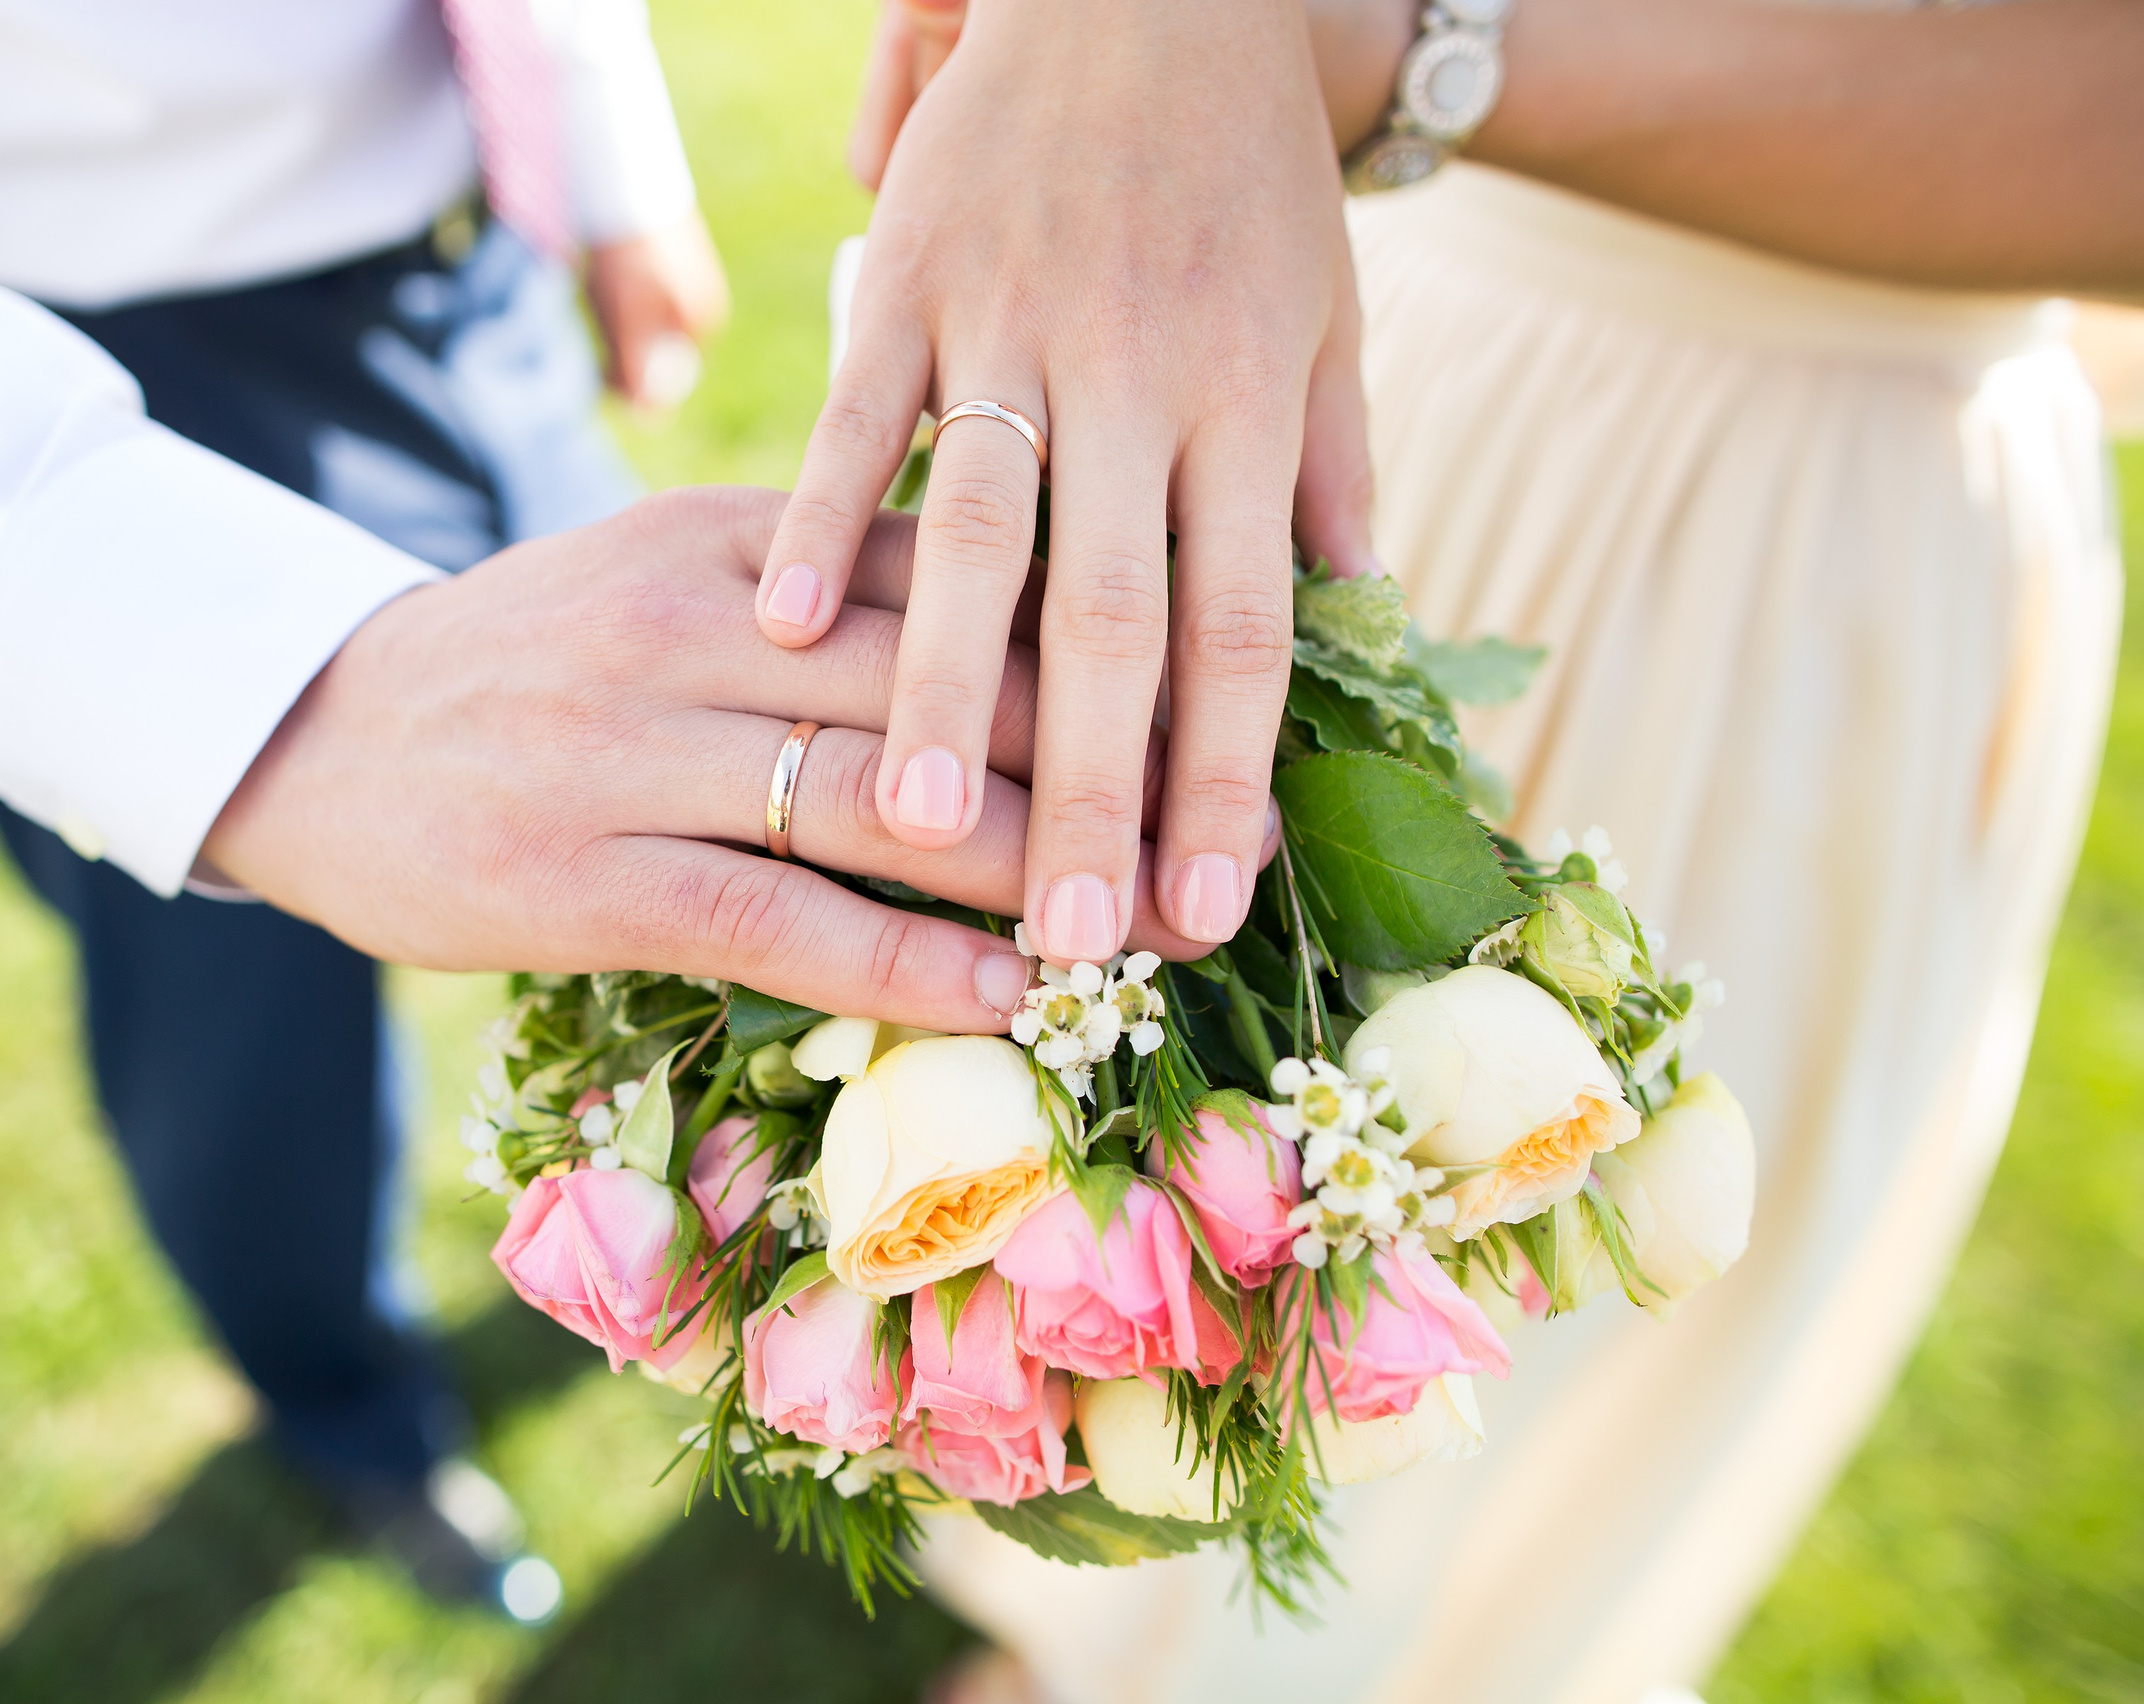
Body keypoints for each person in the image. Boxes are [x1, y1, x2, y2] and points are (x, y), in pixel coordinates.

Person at [0, 0, 1348, 1616]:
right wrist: (274, 710)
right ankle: (353, 1416)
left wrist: (598, 153)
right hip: (54, 357)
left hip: (463, 255)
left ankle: (760, 1308)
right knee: (238, 1040)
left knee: (728, 882)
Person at [865, 2, 2141, 1701]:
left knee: (1506, 1363)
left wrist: (1396, 50)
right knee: (1159, 1152)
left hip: (1786, 515)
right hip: (1337, 296)